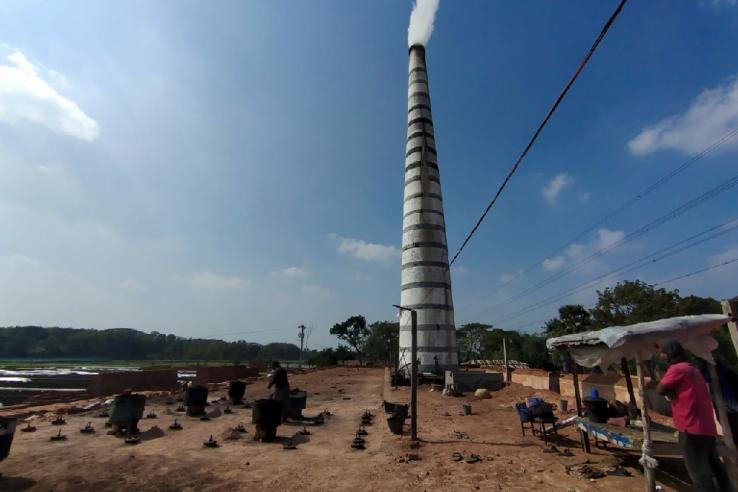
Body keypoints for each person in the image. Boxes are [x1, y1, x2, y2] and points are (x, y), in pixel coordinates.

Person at [657, 340, 730, 491]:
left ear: (670, 353)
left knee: (698, 472)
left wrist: (667, 389)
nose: (661, 356)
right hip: (705, 427)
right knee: (715, 466)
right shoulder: (692, 368)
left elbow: (660, 389)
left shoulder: (677, 369)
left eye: (663, 352)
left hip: (690, 427)